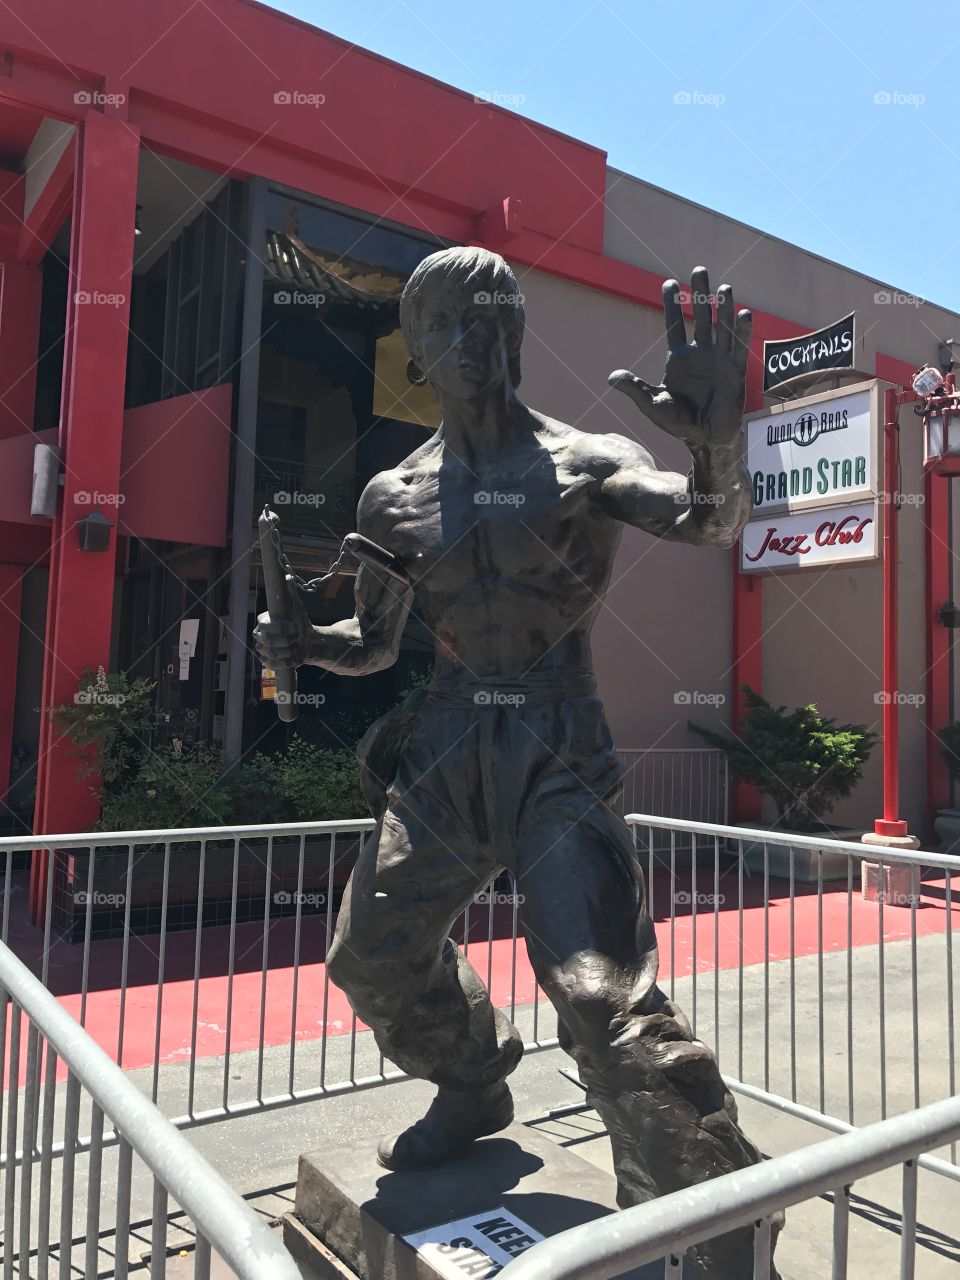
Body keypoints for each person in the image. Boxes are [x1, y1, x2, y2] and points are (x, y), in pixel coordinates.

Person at [255, 246, 780, 1278]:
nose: (474, 341)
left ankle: (716, 1221)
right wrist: (310, 648)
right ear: (422, 350)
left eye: (493, 318)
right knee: (372, 954)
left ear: (517, 335)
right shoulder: (389, 496)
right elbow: (372, 639)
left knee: (598, 991)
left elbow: (711, 519)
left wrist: (720, 441)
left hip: (555, 738)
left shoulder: (587, 462)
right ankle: (474, 1082)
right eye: (447, 324)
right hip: (447, 742)